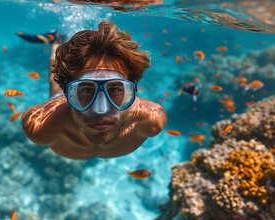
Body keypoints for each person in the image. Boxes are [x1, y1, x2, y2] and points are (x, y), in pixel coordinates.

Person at [21, 19, 167, 160]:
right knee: (55, 81)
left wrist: (86, 91)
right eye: (86, 90)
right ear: (67, 94)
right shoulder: (41, 126)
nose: (100, 110)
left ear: (132, 90)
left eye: (115, 89)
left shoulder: (152, 119)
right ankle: (56, 40)